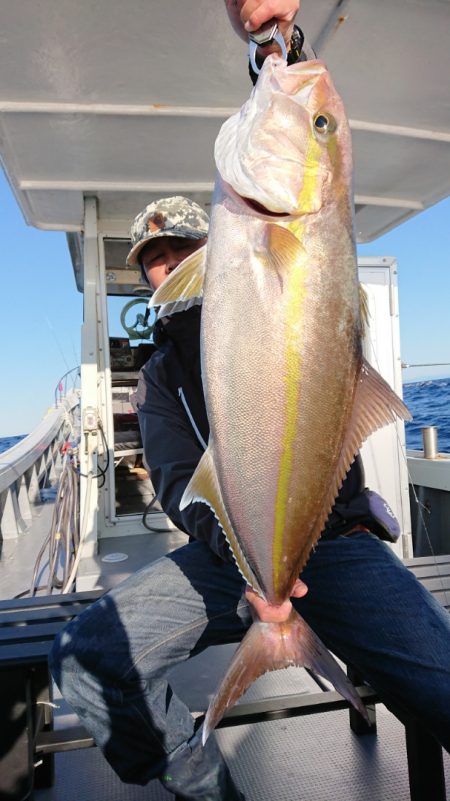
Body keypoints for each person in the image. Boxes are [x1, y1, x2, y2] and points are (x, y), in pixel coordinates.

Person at [50, 3, 450, 801]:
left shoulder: (275, 264)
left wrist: (281, 48)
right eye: (152, 261)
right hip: (222, 553)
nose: (165, 270)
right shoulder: (162, 375)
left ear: (216, 248)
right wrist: (237, 550)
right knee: (85, 661)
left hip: (333, 538)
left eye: (179, 253)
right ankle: (213, 790)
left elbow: (297, 141)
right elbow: (173, 477)